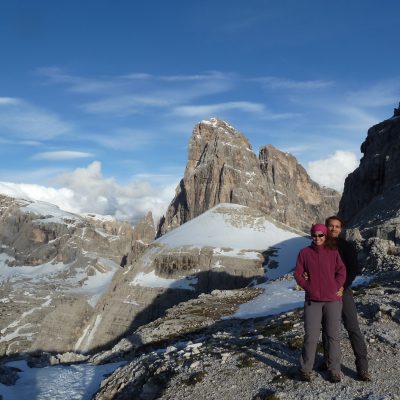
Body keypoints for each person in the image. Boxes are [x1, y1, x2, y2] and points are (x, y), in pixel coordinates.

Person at [294, 223, 346, 383]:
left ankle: (334, 370)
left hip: (332, 301)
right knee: (311, 336)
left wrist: (336, 286)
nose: (317, 238)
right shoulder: (304, 253)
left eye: (320, 235)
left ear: (325, 236)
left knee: (333, 336)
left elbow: (341, 271)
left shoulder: (333, 252)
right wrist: (308, 286)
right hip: (312, 301)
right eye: (314, 235)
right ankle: (305, 369)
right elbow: (297, 274)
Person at [322, 216, 371, 381]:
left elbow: (354, 269)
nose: (334, 229)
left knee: (352, 327)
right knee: (327, 328)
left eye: (337, 226)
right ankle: (328, 362)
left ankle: (362, 368)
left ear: (341, 229)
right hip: (324, 293)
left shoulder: (347, 246)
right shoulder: (318, 245)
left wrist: (343, 285)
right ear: (326, 227)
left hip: (343, 291)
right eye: (331, 226)